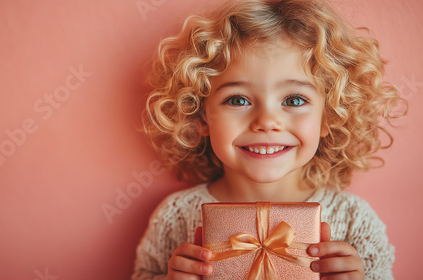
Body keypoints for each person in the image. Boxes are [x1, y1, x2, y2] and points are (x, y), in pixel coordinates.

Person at [133, 0, 405, 279]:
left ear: (328, 117)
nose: (266, 121)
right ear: (201, 115)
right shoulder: (175, 217)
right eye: (238, 100)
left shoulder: (354, 220)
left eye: (294, 99)